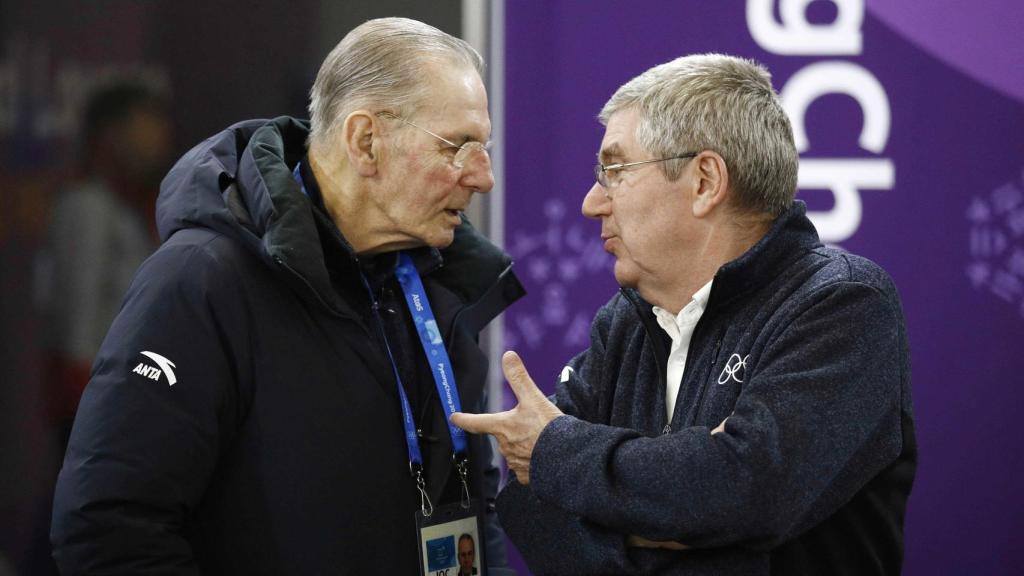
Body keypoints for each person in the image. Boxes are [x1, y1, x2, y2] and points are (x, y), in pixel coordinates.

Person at [51, 17, 523, 575]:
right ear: (366, 141)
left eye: (484, 148)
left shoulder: (436, 285)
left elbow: (469, 504)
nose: (484, 177)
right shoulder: (202, 281)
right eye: (459, 146)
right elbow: (108, 528)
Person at [452, 53, 916, 575]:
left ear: (704, 182)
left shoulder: (843, 305)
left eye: (614, 170)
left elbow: (742, 489)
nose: (591, 203)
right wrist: (679, 517)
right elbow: (526, 499)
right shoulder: (625, 322)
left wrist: (558, 452)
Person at [39, 79, 172, 444]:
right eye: (146, 123)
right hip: (96, 412)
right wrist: (92, 409)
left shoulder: (132, 208)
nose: (160, 134)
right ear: (111, 135)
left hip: (128, 400)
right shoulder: (86, 206)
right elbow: (76, 327)